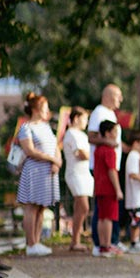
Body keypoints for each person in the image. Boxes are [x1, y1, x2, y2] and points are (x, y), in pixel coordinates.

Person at [16, 94, 61, 256]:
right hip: (34, 171)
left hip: (47, 172)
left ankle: (37, 240)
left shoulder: (46, 127)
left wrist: (57, 162)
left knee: (42, 207)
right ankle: (31, 243)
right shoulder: (26, 128)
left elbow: (55, 146)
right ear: (36, 109)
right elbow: (30, 150)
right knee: (31, 207)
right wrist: (51, 159)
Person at [88, 84, 124, 252]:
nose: (120, 100)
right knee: (104, 210)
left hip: (112, 165)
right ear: (108, 96)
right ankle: (101, 242)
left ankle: (110, 240)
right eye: (118, 96)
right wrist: (108, 142)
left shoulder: (110, 114)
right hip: (105, 168)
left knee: (108, 210)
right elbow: (91, 136)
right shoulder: (99, 112)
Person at [62, 106, 93, 252]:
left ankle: (75, 240)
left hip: (84, 173)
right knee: (83, 206)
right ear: (76, 119)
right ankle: (75, 239)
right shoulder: (71, 134)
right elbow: (82, 154)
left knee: (80, 207)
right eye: (84, 118)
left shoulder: (82, 135)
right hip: (75, 173)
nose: (86, 122)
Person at [92, 120, 122, 258]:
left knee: (101, 217)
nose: (116, 135)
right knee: (108, 218)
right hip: (109, 188)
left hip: (99, 186)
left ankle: (102, 245)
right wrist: (118, 189)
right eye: (114, 132)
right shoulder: (109, 151)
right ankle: (107, 245)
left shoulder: (98, 150)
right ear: (108, 133)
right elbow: (112, 170)